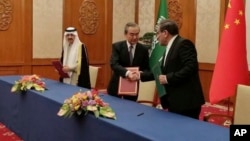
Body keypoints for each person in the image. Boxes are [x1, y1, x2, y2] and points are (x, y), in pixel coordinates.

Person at [155, 19, 205, 119]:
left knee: (187, 133)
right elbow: (163, 72)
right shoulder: (170, 47)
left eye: (158, 33)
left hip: (186, 103)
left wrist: (168, 78)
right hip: (175, 101)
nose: (157, 37)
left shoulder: (184, 44)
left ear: (165, 33)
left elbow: (190, 68)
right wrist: (139, 75)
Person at [107, 22, 151, 101]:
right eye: (132, 34)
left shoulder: (143, 49)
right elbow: (114, 64)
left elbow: (147, 69)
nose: (134, 37)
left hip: (133, 87)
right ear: (125, 34)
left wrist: (140, 73)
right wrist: (128, 73)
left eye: (137, 34)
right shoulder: (117, 46)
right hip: (116, 87)